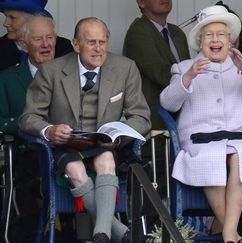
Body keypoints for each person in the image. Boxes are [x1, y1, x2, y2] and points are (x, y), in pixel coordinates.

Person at [19, 17, 151, 243]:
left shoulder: (125, 68)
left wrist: (119, 137)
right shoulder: (51, 70)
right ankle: (117, 233)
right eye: (91, 42)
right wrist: (49, 130)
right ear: (76, 44)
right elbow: (28, 117)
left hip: (106, 145)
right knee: (75, 168)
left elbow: (141, 117)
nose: (99, 49)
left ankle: (102, 235)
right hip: (66, 145)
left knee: (106, 159)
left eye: (102, 42)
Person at [160, 5, 242, 243]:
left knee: (239, 153)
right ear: (200, 40)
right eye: (209, 35)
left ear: (230, 40)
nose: (215, 39)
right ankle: (232, 233)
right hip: (199, 140)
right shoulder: (183, 68)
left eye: (221, 34)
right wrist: (189, 77)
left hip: (240, 139)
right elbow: (167, 103)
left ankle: (227, 232)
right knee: (211, 156)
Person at [0, 13, 56, 242]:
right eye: (38, 39)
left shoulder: (73, 75)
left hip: (69, 152)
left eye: (50, 38)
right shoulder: (7, 78)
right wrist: (29, 123)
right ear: (23, 44)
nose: (46, 45)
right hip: (27, 154)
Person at [123, 0, 190, 131]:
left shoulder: (177, 32)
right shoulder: (138, 31)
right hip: (156, 119)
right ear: (141, 2)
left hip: (185, 114)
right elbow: (161, 73)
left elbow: (188, 68)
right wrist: (188, 79)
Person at [0, 0, 73, 71]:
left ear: (32, 20)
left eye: (12, 18)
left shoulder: (63, 48)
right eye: (6, 16)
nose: (5, 23)